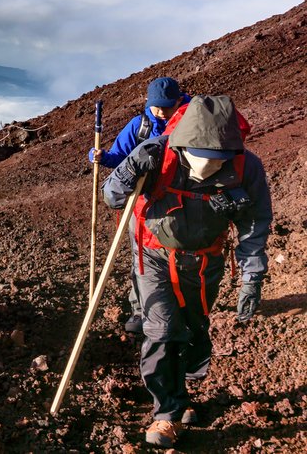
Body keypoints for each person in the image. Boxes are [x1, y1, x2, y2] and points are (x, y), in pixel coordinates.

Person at [102, 95, 271, 448]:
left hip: (205, 261)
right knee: (162, 329)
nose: (209, 169)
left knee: (195, 328)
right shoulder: (155, 153)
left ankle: (185, 390)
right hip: (155, 257)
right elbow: (112, 196)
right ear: (183, 145)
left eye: (218, 162)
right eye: (203, 160)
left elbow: (254, 223)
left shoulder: (246, 166)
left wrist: (252, 277)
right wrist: (130, 170)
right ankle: (166, 413)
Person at [89, 76, 190, 333]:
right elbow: (120, 157)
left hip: (182, 202)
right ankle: (140, 309)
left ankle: (181, 305)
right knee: (142, 257)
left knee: (182, 254)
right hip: (143, 204)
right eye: (157, 106)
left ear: (179, 100)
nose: (162, 112)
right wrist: (101, 156)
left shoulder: (192, 121)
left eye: (167, 106)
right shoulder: (140, 125)